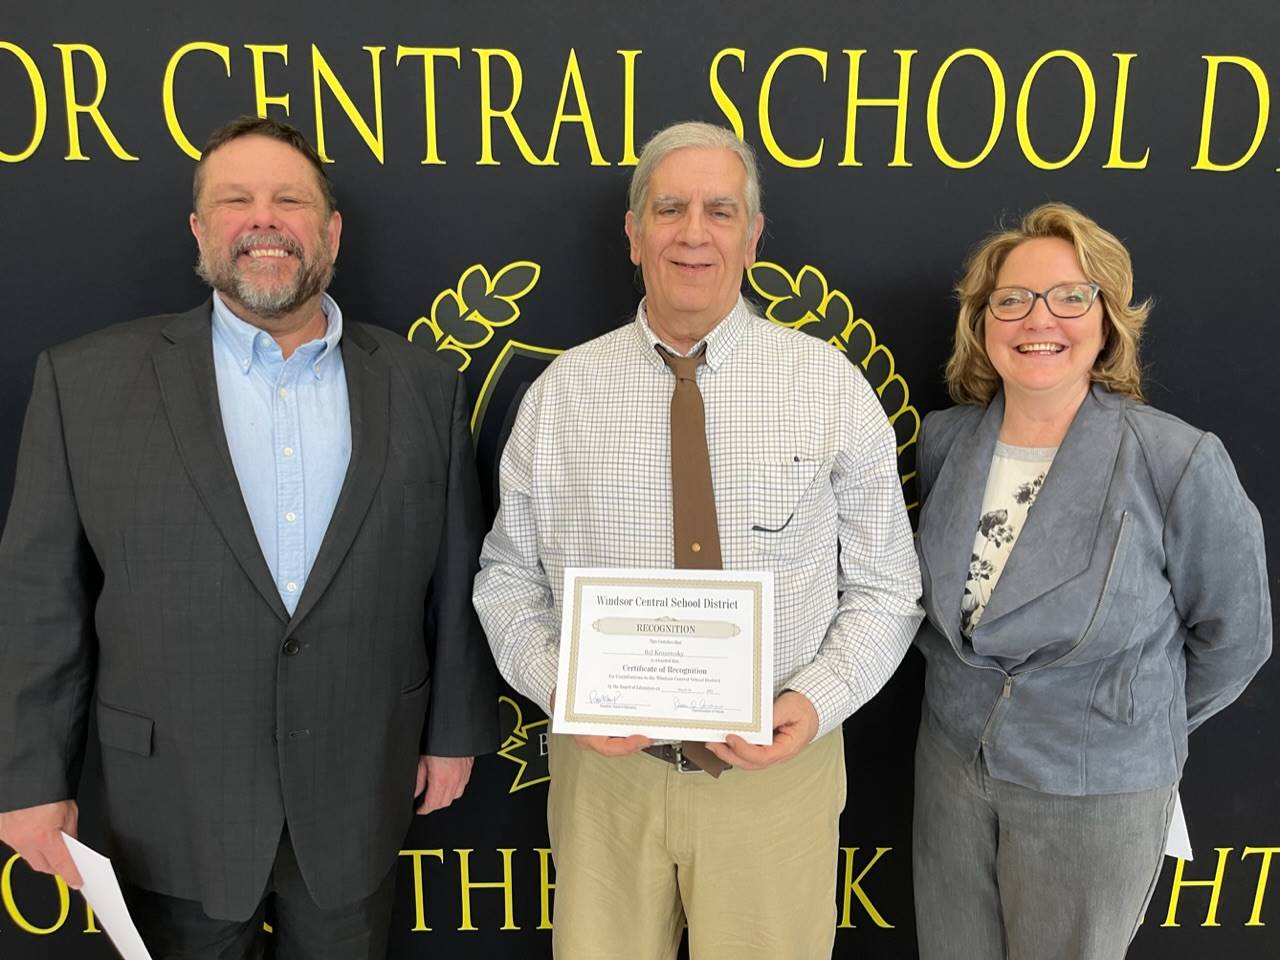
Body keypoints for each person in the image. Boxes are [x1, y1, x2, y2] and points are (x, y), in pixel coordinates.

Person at [0, 116, 499, 958]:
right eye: (235, 200)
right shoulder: (84, 383)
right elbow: (39, 598)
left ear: (330, 232)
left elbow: (455, 575)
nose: (263, 219)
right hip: (170, 808)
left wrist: (453, 730)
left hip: (358, 792)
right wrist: (28, 779)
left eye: (289, 200)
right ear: (200, 231)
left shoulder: (422, 383)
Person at [473, 121, 923, 959]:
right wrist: (565, 691)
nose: (693, 232)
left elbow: (887, 590)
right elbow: (507, 581)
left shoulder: (828, 388)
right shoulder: (561, 395)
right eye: (669, 208)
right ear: (634, 233)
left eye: (720, 210)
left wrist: (813, 703)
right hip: (604, 782)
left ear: (753, 237)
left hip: (776, 779)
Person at [912, 202, 1271, 960]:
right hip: (949, 776)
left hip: (1092, 791)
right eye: (1011, 299)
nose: (1038, 318)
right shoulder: (945, 442)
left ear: (1108, 318)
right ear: (983, 321)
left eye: (1070, 296)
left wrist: (1121, 717)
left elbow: (1236, 638)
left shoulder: (1177, 460)